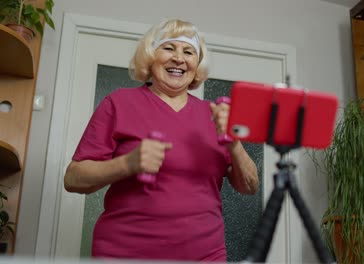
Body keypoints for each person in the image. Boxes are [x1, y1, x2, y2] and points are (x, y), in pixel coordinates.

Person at [64, 18, 259, 262]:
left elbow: (249, 186)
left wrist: (234, 142)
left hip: (205, 255)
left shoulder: (214, 114)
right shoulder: (119, 103)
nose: (179, 58)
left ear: (196, 65)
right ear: (150, 56)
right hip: (124, 253)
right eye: (169, 48)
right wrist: (127, 164)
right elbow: (72, 178)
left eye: (188, 52)